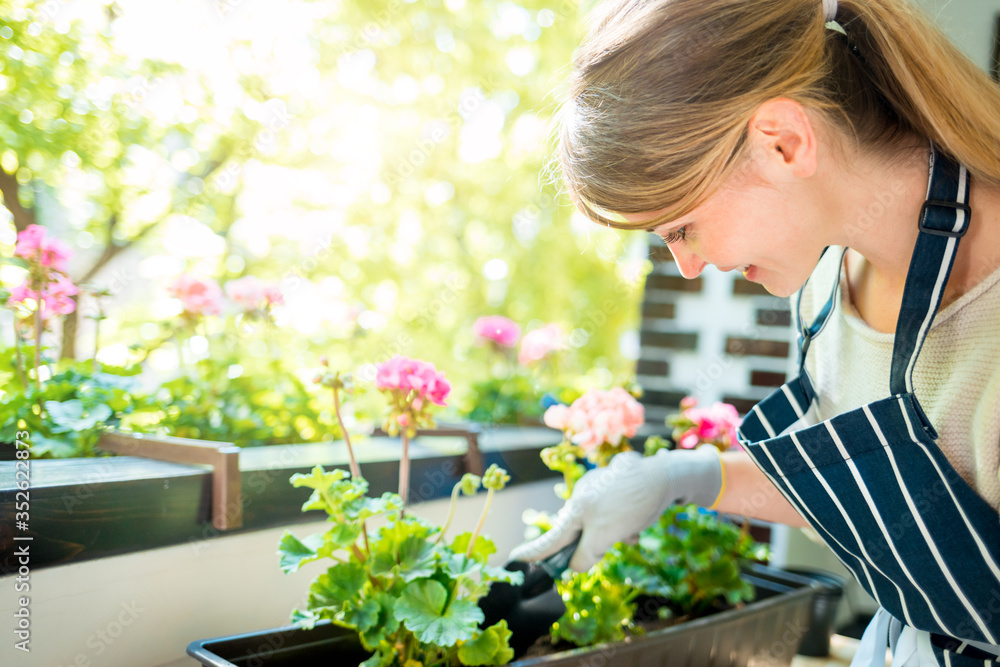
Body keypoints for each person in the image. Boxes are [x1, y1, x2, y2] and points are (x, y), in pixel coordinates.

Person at [509, 0, 1000, 664]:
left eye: (681, 227)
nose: (686, 268)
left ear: (783, 141)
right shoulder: (827, 290)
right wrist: (685, 476)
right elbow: (898, 508)